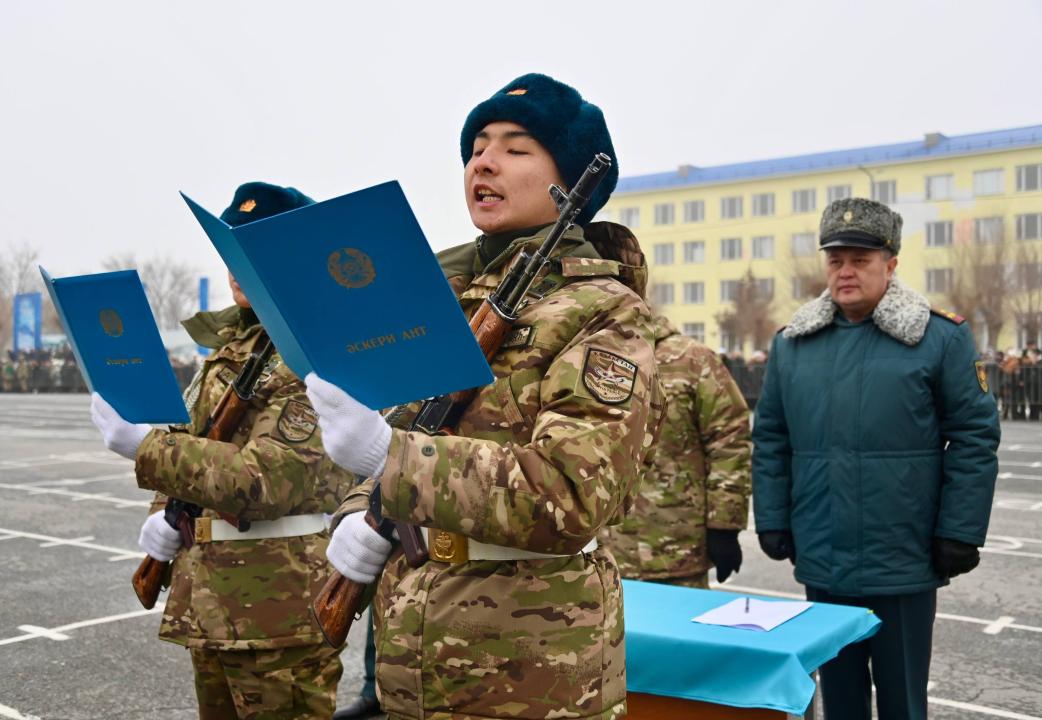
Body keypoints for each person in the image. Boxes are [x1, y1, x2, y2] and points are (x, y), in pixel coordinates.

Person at [307, 73, 662, 720]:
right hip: (415, 664)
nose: (484, 162)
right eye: (476, 148)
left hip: (532, 676)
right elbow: (407, 428)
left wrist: (392, 460)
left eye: (516, 148)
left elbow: (572, 495)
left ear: (570, 184)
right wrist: (360, 512)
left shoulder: (607, 313)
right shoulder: (442, 301)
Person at [89, 182, 353, 720]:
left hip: (278, 611)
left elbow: (266, 479)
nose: (236, 265)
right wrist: (163, 510)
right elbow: (194, 439)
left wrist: (144, 448)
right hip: (212, 599)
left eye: (252, 248)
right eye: (230, 248)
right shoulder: (236, 344)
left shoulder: (313, 351)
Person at [752, 197, 1000, 720]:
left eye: (860, 260)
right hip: (824, 555)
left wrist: (960, 530)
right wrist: (772, 518)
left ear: (890, 265)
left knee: (902, 701)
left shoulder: (938, 338)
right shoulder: (794, 345)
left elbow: (974, 436)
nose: (845, 271)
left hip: (904, 558)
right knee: (840, 701)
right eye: (836, 260)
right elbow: (771, 437)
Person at [603, 314, 751, 588]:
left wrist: (724, 526)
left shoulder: (693, 360)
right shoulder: (588, 357)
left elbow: (728, 441)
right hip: (603, 556)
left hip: (677, 551)